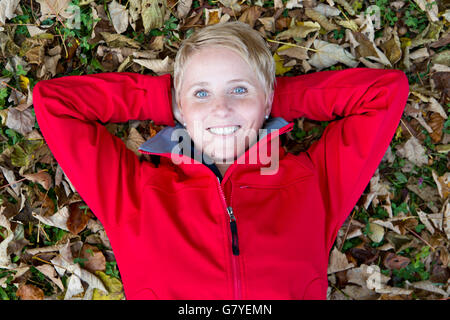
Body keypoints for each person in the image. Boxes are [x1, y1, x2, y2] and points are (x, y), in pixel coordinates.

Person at [32, 21, 410, 299]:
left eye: (239, 90)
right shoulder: (134, 195)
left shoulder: (311, 183)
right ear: (178, 107)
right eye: (201, 93)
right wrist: (168, 103)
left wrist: (267, 101)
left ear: (267, 100)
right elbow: (56, 103)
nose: (221, 108)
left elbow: (384, 93)